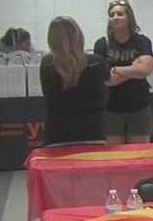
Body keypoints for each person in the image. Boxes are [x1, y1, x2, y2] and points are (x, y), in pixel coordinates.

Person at [39, 16, 109, 146]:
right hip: (93, 132)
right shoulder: (96, 62)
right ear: (79, 36)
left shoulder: (47, 64)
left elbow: (46, 93)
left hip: (57, 133)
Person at [93, 0, 153, 145]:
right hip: (111, 108)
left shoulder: (142, 41)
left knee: (139, 156)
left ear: (129, 18)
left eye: (120, 14)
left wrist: (116, 69)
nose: (115, 17)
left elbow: (146, 69)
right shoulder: (102, 44)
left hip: (139, 107)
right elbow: (106, 80)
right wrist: (133, 68)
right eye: (112, 14)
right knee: (115, 159)